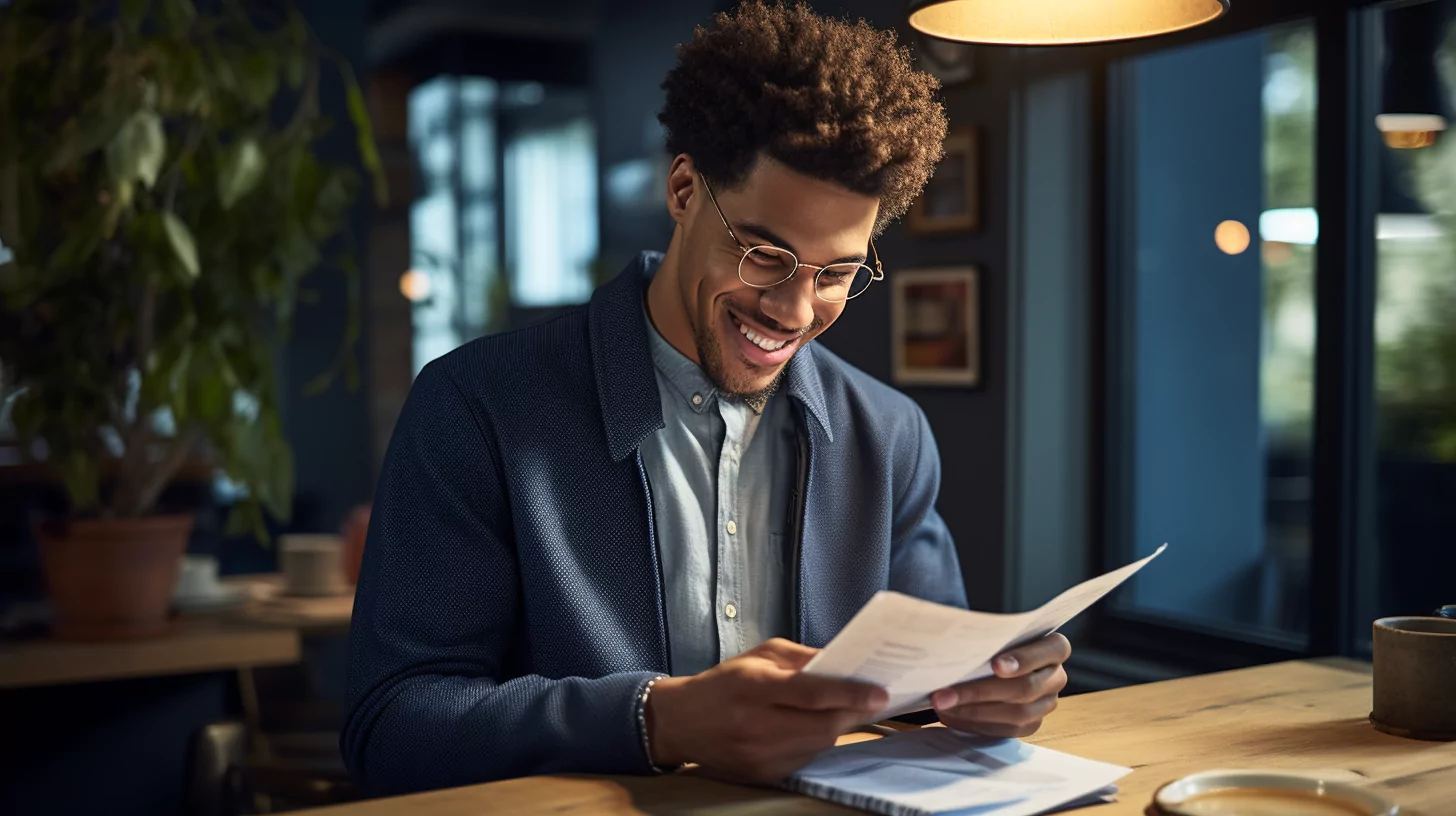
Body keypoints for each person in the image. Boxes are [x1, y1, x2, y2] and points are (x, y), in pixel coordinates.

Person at [341, 1, 1070, 795]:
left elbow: (931, 690)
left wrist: (988, 693)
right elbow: (393, 726)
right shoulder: (475, 407)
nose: (794, 312)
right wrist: (660, 718)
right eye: (765, 254)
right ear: (684, 188)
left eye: (835, 275)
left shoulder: (890, 435)